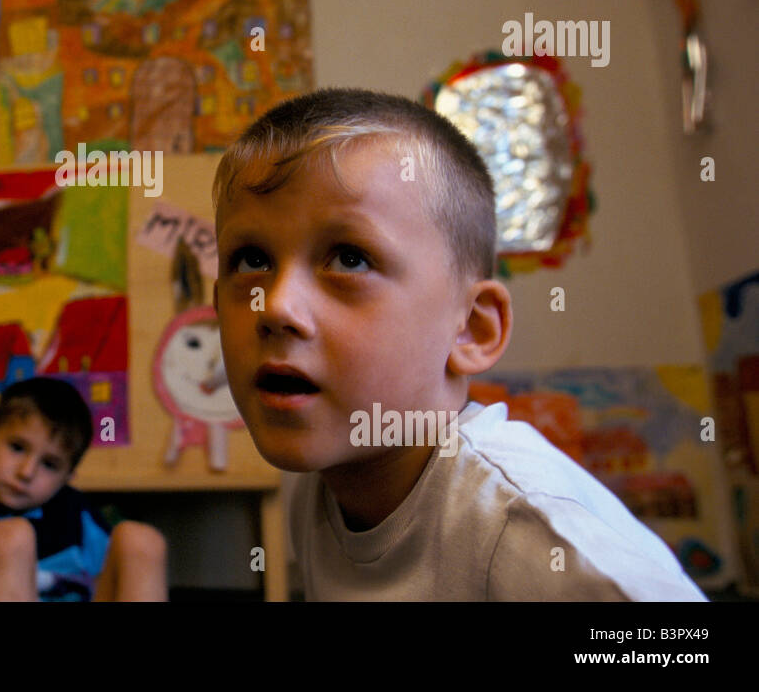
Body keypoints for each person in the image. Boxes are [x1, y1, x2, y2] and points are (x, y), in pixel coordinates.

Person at [211, 87, 705, 600]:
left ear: (471, 328)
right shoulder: (320, 491)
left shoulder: (525, 533)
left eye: (349, 259)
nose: (274, 307)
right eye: (251, 261)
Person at [0, 377, 167, 601]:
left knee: (141, 540)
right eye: (17, 448)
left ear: (67, 477)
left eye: (49, 464)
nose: (26, 472)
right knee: (10, 537)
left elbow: (107, 578)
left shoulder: (78, 515)